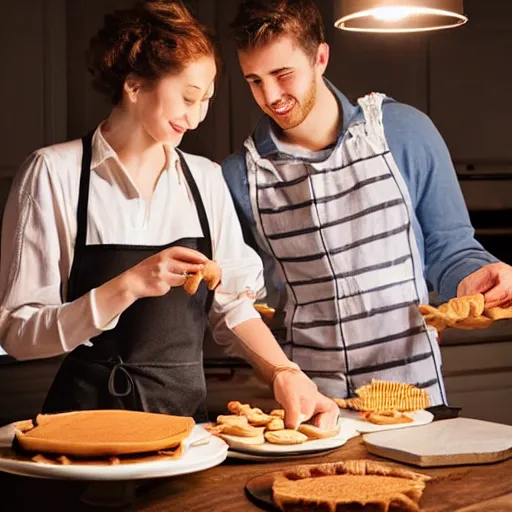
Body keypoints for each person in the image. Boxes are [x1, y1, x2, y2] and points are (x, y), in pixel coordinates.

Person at [0, 0, 339, 429]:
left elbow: (232, 307)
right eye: (188, 97)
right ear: (135, 86)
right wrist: (128, 285)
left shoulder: (205, 179)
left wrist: (286, 374)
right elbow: (17, 332)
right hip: (81, 430)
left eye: (207, 101)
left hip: (184, 432)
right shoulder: (54, 173)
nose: (196, 119)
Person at [222, 0, 512, 405]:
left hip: (415, 398)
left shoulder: (403, 131)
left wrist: (477, 278)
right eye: (254, 80)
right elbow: (243, 299)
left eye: (282, 74)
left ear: (320, 57)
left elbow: (450, 249)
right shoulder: (238, 178)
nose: (271, 96)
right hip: (313, 406)